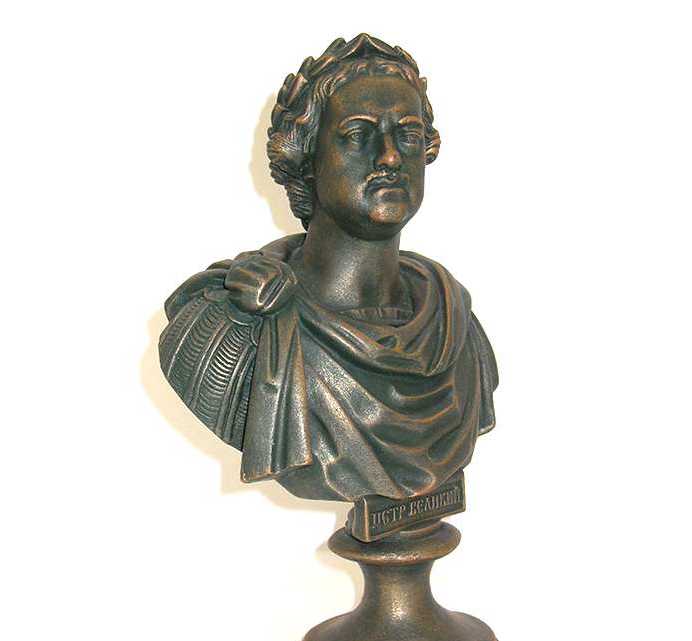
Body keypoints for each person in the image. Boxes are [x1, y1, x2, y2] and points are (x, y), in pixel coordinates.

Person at [159, 34, 498, 504]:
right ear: (307, 159)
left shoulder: (453, 321)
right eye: (358, 135)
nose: (390, 157)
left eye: (408, 135)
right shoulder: (231, 325)